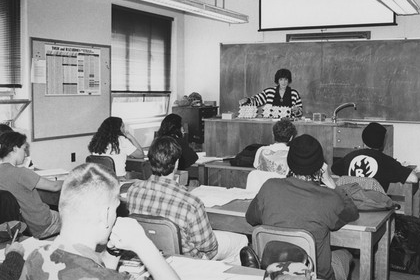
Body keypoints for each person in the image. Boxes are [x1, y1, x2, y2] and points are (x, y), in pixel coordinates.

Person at [22, 163, 180, 280]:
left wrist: (112, 252)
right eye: (115, 209)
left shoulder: (34, 258)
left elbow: (83, 264)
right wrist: (143, 244)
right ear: (105, 215)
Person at [246, 134, 359, 280]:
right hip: (316, 276)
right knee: (345, 254)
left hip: (275, 273)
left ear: (289, 161)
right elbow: (352, 213)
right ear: (320, 165)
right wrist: (331, 182)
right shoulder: (329, 198)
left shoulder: (269, 187)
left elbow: (250, 218)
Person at [127, 136, 248, 265]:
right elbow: (209, 247)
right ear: (176, 163)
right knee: (241, 241)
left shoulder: (133, 190)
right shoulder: (191, 203)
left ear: (150, 161)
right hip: (188, 260)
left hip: (150, 254)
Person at [0, 132, 62, 239]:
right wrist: (72, 178)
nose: (26, 154)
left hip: (21, 228)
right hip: (43, 225)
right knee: (78, 219)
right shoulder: (21, 173)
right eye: (24, 149)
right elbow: (54, 187)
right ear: (15, 148)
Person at [331, 122, 419, 192]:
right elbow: (414, 179)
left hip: (351, 203)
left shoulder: (350, 156)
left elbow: (334, 168)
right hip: (375, 206)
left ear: (363, 139)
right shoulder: (386, 161)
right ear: (382, 143)